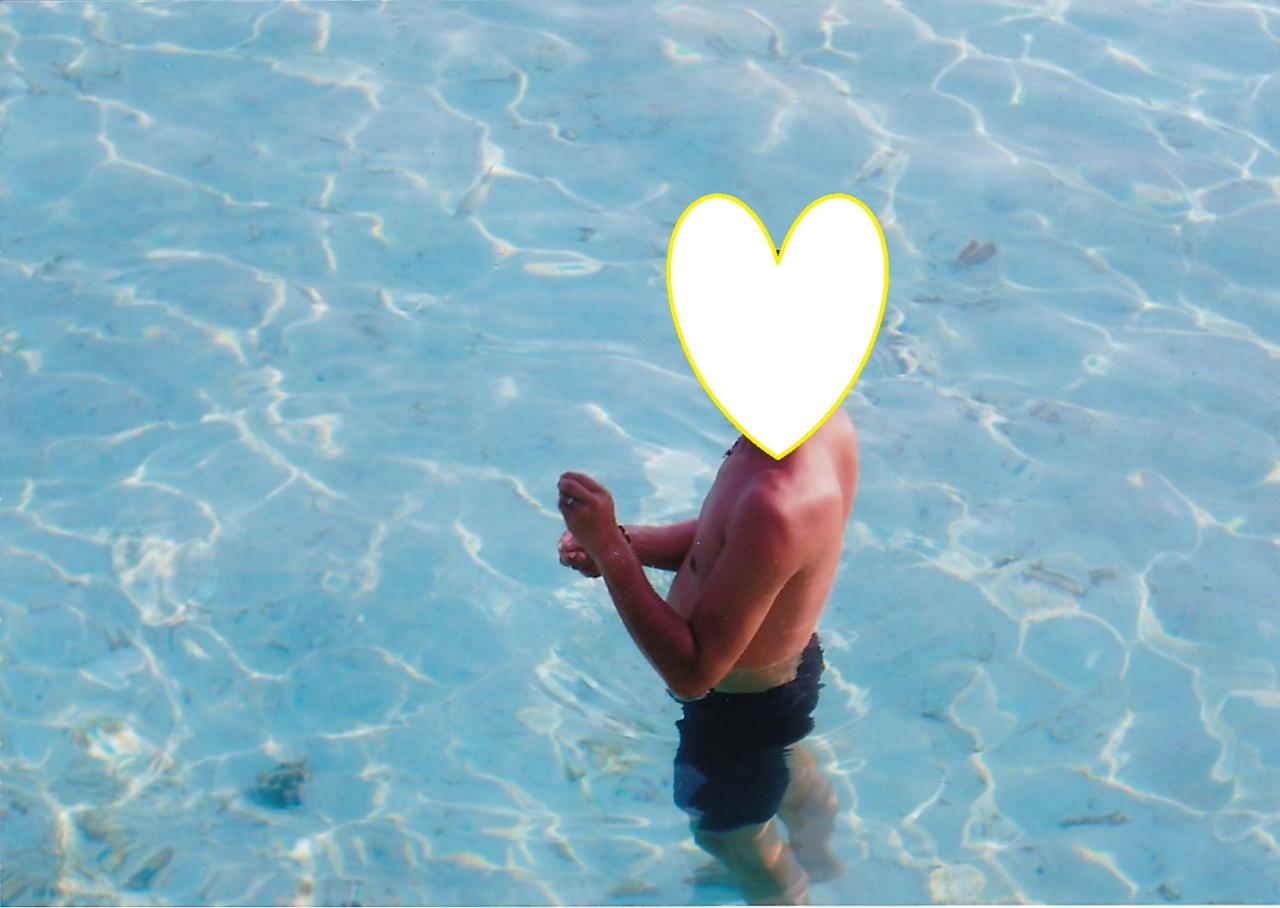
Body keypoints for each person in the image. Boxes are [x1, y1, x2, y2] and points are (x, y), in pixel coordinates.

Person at [556, 410, 859, 904]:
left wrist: (611, 552)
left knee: (727, 835)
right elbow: (730, 540)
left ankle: (785, 892)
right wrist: (630, 543)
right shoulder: (819, 430)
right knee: (785, 760)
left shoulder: (776, 501)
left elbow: (693, 673)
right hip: (784, 677)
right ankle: (820, 858)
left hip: (736, 713)